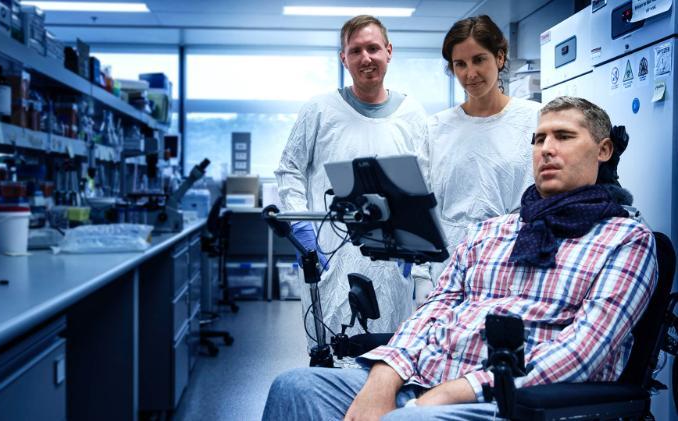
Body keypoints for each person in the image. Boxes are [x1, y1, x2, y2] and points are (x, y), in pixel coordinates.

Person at [262, 96, 658, 421]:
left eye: (564, 137)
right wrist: (385, 377)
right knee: (295, 387)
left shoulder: (625, 240)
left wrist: (452, 393)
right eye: (538, 140)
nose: (547, 149)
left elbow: (584, 351)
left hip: (512, 399)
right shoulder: (495, 230)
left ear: (603, 150)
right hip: (427, 375)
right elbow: (435, 308)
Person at [275, 15, 430, 346]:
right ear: (343, 58)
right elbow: (290, 169)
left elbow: (427, 184)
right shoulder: (319, 110)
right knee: (333, 353)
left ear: (389, 51)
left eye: (373, 48)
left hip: (394, 260)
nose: (366, 58)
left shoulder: (413, 114)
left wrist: (416, 257)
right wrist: (304, 229)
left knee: (390, 359)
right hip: (332, 256)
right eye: (356, 50)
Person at [413, 15, 542, 299]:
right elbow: (423, 208)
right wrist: (421, 276)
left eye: (479, 60)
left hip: (513, 267)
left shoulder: (535, 118)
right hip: (447, 268)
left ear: (499, 57)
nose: (470, 74)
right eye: (460, 64)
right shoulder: (436, 128)